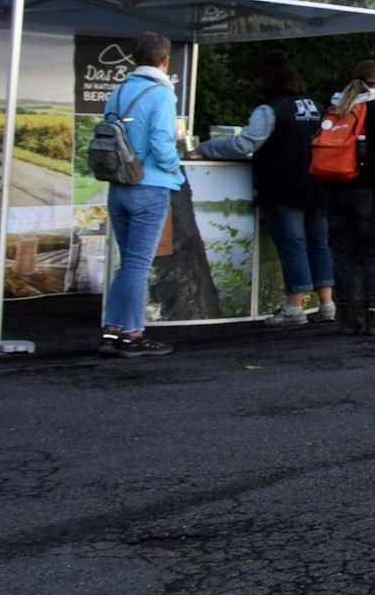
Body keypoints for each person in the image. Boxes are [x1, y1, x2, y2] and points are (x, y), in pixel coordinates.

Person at [197, 57, 335, 326]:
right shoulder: (317, 107)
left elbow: (244, 144)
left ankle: (294, 308)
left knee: (292, 245)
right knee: (319, 244)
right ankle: (327, 304)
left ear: (269, 80)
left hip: (282, 187)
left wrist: (204, 148)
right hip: (319, 185)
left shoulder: (269, 109)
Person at [98, 33, 182, 358]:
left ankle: (113, 329)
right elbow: (162, 143)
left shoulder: (118, 92)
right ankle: (133, 334)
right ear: (165, 60)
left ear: (134, 58)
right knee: (138, 264)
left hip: (118, 185)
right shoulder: (161, 94)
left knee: (127, 263)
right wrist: (175, 169)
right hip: (149, 186)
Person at [323, 60, 375, 336]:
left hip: (333, 188)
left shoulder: (334, 106)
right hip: (368, 190)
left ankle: (346, 317)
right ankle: (373, 316)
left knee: (342, 254)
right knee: (371, 253)